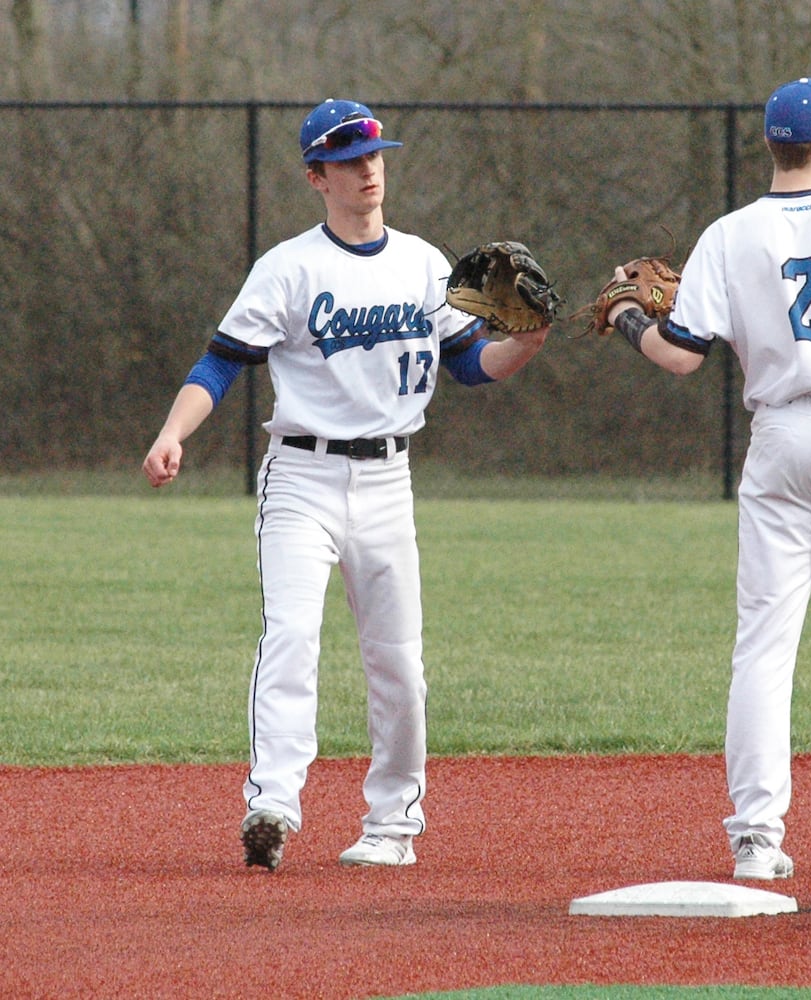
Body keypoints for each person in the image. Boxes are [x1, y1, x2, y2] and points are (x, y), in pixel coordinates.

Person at [142, 99, 550, 872]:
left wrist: (525, 341)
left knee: (398, 660)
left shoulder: (427, 264)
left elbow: (468, 366)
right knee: (290, 637)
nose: (367, 169)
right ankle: (273, 803)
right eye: (348, 159)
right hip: (302, 474)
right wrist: (172, 432)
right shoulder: (290, 267)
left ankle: (391, 824)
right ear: (315, 177)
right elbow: (222, 361)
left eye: (374, 155)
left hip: (389, 480)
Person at [604, 77, 811, 879]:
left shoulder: (726, 235)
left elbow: (681, 356)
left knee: (763, 642)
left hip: (780, 435)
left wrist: (626, 320)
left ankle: (756, 838)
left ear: (769, 146)